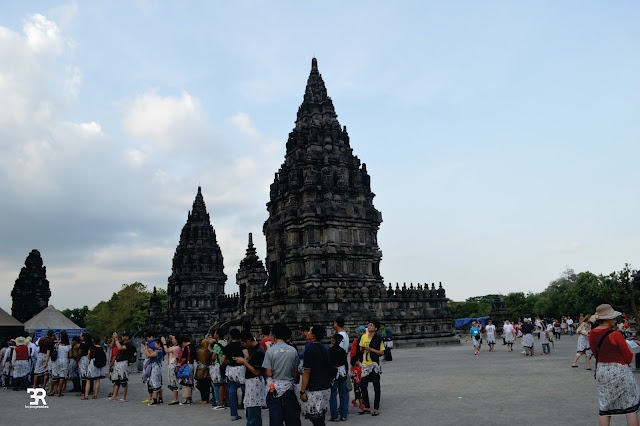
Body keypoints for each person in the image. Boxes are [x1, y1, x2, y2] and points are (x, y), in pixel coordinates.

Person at [589, 304, 640, 426]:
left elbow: (596, 354)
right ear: (608, 319)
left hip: (602, 371)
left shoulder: (592, 333)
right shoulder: (615, 334)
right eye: (613, 318)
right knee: (631, 408)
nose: (614, 320)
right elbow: (628, 356)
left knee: (605, 409)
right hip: (619, 371)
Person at [263, 322, 301, 426]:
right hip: (289, 387)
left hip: (274, 388)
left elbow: (269, 373)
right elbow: (295, 373)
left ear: (274, 335)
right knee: (292, 418)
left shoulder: (270, 351)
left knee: (275, 418)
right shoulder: (293, 350)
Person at [300, 325, 332, 425]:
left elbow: (307, 372)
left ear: (313, 336)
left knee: (316, 419)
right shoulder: (325, 349)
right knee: (320, 416)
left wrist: (302, 391)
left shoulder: (310, 350)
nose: (307, 333)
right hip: (325, 386)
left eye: (309, 331)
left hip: (315, 388)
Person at [235, 330, 267, 425]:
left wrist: (244, 362)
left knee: (253, 413)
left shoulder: (258, 351)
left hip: (255, 383)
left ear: (248, 341)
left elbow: (257, 371)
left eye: (243, 343)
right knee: (250, 412)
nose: (243, 345)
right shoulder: (254, 349)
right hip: (251, 383)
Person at [358, 320, 385, 416]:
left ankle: (376, 407)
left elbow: (382, 352)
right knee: (363, 386)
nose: (369, 326)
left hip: (374, 364)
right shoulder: (363, 337)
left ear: (375, 328)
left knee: (376, 387)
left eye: (371, 325)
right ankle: (367, 406)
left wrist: (372, 349)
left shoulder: (378, 338)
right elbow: (360, 349)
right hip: (365, 364)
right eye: (368, 325)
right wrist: (363, 348)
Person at [222, 328, 248, 421]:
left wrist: (230, 361)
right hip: (241, 369)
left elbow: (223, 360)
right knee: (246, 389)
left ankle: (234, 414)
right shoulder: (242, 346)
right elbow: (247, 356)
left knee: (232, 391)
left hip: (231, 370)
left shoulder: (227, 347)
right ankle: (248, 410)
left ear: (231, 336)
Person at [110, 330, 135, 402]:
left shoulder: (129, 344)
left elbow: (120, 348)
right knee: (116, 380)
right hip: (117, 362)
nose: (122, 337)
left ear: (127, 337)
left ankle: (124, 397)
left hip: (123, 362)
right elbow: (112, 345)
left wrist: (117, 339)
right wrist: (114, 339)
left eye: (124, 336)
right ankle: (114, 396)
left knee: (123, 380)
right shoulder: (121, 342)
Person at [329, 334, 348, 422]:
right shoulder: (343, 351)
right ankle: (344, 415)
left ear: (334, 340)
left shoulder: (330, 351)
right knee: (343, 395)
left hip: (333, 374)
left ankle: (335, 415)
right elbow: (346, 364)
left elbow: (328, 364)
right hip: (342, 373)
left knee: (333, 395)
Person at [211, 329, 229, 410]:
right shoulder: (224, 342)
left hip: (218, 365)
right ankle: (227, 401)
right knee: (224, 384)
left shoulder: (217, 344)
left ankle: (221, 403)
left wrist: (212, 361)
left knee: (220, 384)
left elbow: (213, 356)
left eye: (215, 333)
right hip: (224, 365)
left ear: (217, 335)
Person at [143, 337, 164, 406]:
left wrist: (145, 348)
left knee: (154, 383)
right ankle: (160, 398)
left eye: (156, 344)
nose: (155, 345)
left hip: (155, 368)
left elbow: (148, 355)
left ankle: (154, 400)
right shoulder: (159, 351)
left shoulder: (159, 351)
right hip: (157, 368)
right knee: (158, 383)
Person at [50, 330, 71, 397]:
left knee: (54, 376)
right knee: (62, 377)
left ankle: (51, 390)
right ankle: (59, 392)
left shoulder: (57, 345)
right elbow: (70, 355)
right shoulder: (68, 347)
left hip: (56, 361)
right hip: (64, 361)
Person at [161, 335, 181, 405]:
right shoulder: (175, 347)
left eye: (174, 339)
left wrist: (164, 342)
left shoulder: (176, 348)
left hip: (173, 365)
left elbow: (166, 350)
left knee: (174, 382)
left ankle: (176, 399)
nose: (172, 340)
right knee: (172, 381)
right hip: (172, 364)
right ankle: (175, 398)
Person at [178, 334, 196, 405]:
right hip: (192, 364)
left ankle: (187, 399)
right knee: (190, 381)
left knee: (186, 383)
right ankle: (190, 398)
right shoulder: (193, 346)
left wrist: (180, 364)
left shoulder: (187, 348)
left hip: (187, 365)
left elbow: (184, 358)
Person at [195, 338, 212, 404]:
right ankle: (206, 398)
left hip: (201, 368)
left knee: (201, 384)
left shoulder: (199, 351)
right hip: (208, 368)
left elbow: (196, 359)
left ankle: (203, 399)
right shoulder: (209, 351)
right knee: (207, 384)